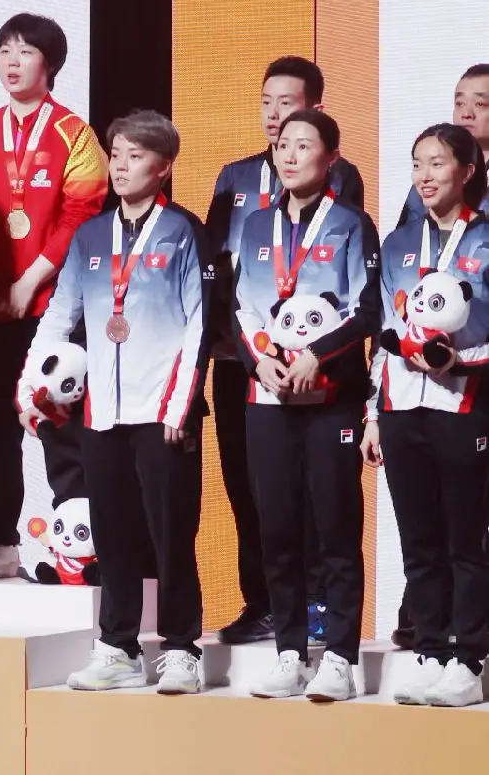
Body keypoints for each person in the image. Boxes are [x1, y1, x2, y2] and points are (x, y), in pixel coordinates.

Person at [44, 111, 210, 695]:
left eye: (135, 156)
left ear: (163, 167)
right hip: (103, 412)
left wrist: (180, 407)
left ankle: (182, 649)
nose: (119, 166)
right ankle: (117, 647)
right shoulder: (91, 235)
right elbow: (60, 314)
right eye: (115, 154)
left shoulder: (184, 232)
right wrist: (33, 385)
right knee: (112, 533)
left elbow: (198, 326)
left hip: (163, 413)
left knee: (171, 534)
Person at [203, 55, 365, 644]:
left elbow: (343, 282)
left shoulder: (339, 179)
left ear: (315, 110)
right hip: (243, 359)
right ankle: (263, 604)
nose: (274, 115)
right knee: (251, 488)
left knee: (316, 493)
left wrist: (310, 351)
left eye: (288, 104)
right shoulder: (235, 177)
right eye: (267, 102)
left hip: (315, 365)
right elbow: (217, 268)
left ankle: (317, 605)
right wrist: (245, 348)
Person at [233, 109, 379, 702]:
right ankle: (289, 652)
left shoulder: (351, 224)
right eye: (282, 146)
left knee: (336, 528)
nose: (289, 155)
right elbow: (240, 307)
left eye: (303, 145)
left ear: (331, 158)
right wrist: (259, 361)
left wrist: (318, 354)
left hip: (331, 400)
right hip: (267, 398)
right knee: (277, 528)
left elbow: (368, 309)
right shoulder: (254, 226)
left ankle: (340, 657)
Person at [0, 13, 105, 581]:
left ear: (52, 64)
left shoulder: (74, 134)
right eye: (4, 50)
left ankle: (79, 549)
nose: (12, 61)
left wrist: (29, 281)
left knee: (59, 426)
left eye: (26, 51)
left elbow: (81, 213)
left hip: (51, 312)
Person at [366, 123, 489, 707]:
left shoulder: (485, 239)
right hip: (400, 406)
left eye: (437, 163)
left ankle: (469, 659)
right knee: (418, 539)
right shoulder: (398, 242)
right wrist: (373, 412)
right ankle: (431, 649)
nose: (425, 175)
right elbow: (384, 330)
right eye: (418, 164)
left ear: (467, 170)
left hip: (463, 403)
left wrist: (460, 361)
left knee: (465, 538)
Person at [396, 65, 489, 226]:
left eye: (480, 104)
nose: (466, 114)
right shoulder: (430, 179)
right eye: (459, 103)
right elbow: (406, 235)